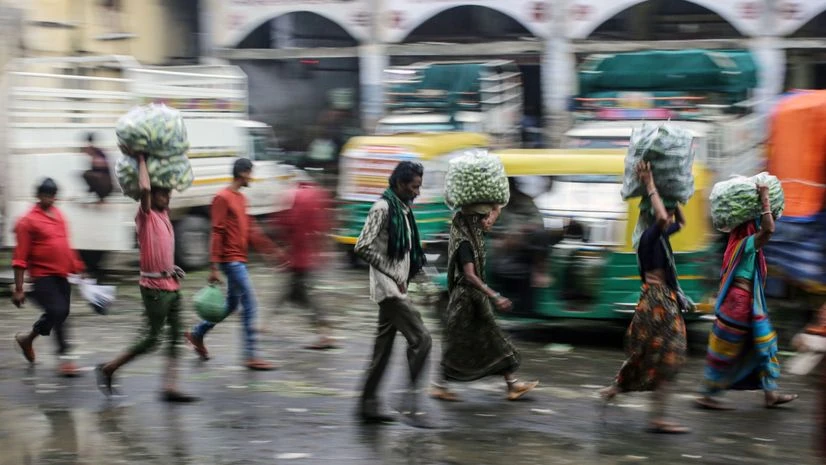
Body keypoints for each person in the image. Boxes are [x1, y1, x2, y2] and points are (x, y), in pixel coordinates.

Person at [95, 151, 198, 402]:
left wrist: (171, 268)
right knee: (151, 338)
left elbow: (161, 250)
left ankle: (169, 387)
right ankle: (109, 368)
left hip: (171, 284)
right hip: (154, 287)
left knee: (175, 337)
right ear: (153, 194)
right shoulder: (147, 215)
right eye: (162, 193)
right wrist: (141, 159)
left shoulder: (165, 217)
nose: (167, 196)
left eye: (169, 194)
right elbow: (143, 188)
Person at [599, 162, 690, 434]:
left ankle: (616, 390)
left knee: (654, 356)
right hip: (657, 303)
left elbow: (680, 222)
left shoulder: (660, 237)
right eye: (664, 209)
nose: (669, 214)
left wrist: (674, 195)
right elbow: (664, 219)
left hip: (661, 300)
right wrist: (651, 184)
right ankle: (655, 417)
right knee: (669, 356)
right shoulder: (650, 235)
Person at [696, 184, 798, 410]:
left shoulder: (738, 243)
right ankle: (707, 395)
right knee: (728, 350)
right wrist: (764, 200)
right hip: (739, 304)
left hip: (743, 303)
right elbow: (769, 229)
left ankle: (770, 394)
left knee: (762, 344)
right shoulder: (745, 243)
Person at [430, 203, 539, 402]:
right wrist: (495, 295)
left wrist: (496, 206)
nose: (489, 221)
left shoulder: (473, 236)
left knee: (492, 336)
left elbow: (496, 212)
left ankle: (512, 385)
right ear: (474, 220)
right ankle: (440, 386)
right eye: (485, 218)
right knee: (458, 342)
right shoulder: (464, 242)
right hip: (465, 299)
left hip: (475, 298)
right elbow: (470, 276)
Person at [185, 158, 284, 371]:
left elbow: (250, 230)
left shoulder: (241, 199)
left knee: (230, 306)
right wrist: (213, 267)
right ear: (242, 173)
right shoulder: (222, 197)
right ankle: (251, 355)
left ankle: (197, 333)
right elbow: (216, 232)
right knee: (250, 303)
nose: (252, 177)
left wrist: (272, 251)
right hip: (230, 261)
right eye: (250, 173)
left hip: (239, 259)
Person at [354, 161, 432, 426]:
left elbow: (409, 253)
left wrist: (421, 281)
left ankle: (368, 403)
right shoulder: (383, 208)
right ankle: (406, 398)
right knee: (422, 338)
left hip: (398, 286)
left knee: (383, 348)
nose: (417, 192)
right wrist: (394, 274)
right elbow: (362, 246)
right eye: (414, 186)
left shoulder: (403, 210)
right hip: (389, 290)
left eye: (419, 186)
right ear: (399, 183)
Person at [12, 178, 86, 377]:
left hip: (61, 275)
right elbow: (19, 257)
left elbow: (65, 244)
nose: (49, 199)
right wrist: (19, 289)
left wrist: (77, 266)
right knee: (57, 310)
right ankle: (64, 359)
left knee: (61, 313)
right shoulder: (27, 221)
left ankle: (27, 339)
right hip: (42, 277)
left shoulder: (59, 215)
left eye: (52, 196)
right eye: (45, 195)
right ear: (38, 196)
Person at [272, 176, 336, 350]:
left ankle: (325, 335)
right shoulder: (318, 195)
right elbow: (324, 224)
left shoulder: (293, 196)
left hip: (298, 256)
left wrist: (283, 249)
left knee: (302, 295)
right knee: (293, 291)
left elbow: (284, 223)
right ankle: (266, 323)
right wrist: (321, 251)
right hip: (309, 255)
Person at [81, 133, 113, 202]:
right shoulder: (95, 154)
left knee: (89, 175)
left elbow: (104, 166)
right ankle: (94, 191)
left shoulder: (98, 153)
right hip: (103, 183)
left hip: (106, 184)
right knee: (87, 174)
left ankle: (97, 192)